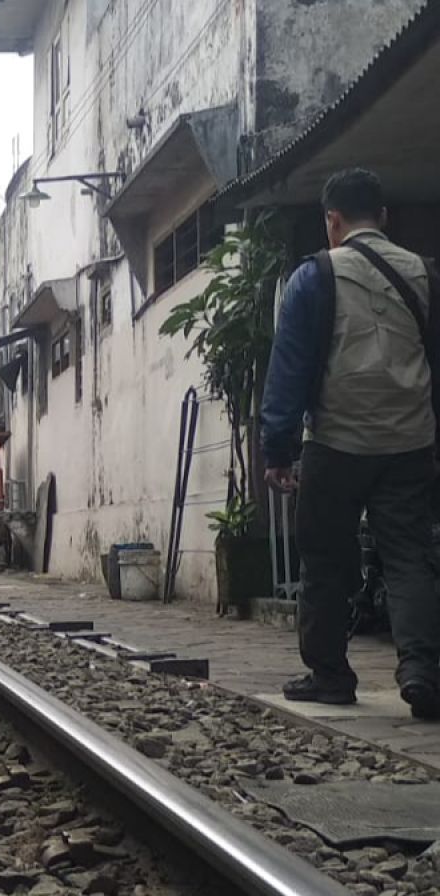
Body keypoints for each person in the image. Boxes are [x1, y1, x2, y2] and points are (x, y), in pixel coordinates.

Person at [262, 167, 440, 717]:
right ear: (383, 219)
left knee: (325, 557)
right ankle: (423, 674)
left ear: (332, 222)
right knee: (410, 556)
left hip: (336, 442)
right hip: (410, 441)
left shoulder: (314, 275)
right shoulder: (426, 274)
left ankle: (331, 675)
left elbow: (289, 368)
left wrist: (278, 446)